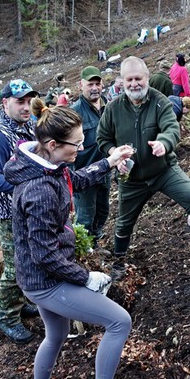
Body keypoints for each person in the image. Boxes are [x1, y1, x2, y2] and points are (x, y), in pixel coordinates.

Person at [3, 102, 143, 379]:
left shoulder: (47, 165)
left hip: (38, 277)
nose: (80, 149)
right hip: (46, 281)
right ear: (53, 144)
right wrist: (84, 277)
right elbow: (44, 253)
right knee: (119, 321)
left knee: (57, 333)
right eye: (76, 144)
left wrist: (109, 162)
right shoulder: (38, 190)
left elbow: (74, 180)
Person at [97, 56, 190, 280]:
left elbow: (171, 127)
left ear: (147, 78)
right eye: (129, 79)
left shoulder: (160, 101)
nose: (134, 84)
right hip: (131, 178)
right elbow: (103, 139)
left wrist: (163, 143)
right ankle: (119, 264)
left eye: (138, 79)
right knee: (123, 224)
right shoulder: (112, 109)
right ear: (122, 81)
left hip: (164, 170)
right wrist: (114, 155)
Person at [0, 79, 41, 343]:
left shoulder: (27, 126)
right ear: (5, 103)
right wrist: (23, 187)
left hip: (27, 206)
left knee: (27, 259)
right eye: (20, 102)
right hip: (8, 212)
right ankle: (6, 317)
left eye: (29, 101)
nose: (26, 107)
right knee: (16, 265)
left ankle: (19, 302)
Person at [70, 66, 111, 247]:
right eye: (90, 84)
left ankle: (95, 244)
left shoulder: (108, 106)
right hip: (83, 176)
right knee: (85, 218)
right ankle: (84, 254)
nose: (94, 88)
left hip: (105, 171)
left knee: (102, 212)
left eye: (97, 83)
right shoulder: (74, 113)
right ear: (81, 85)